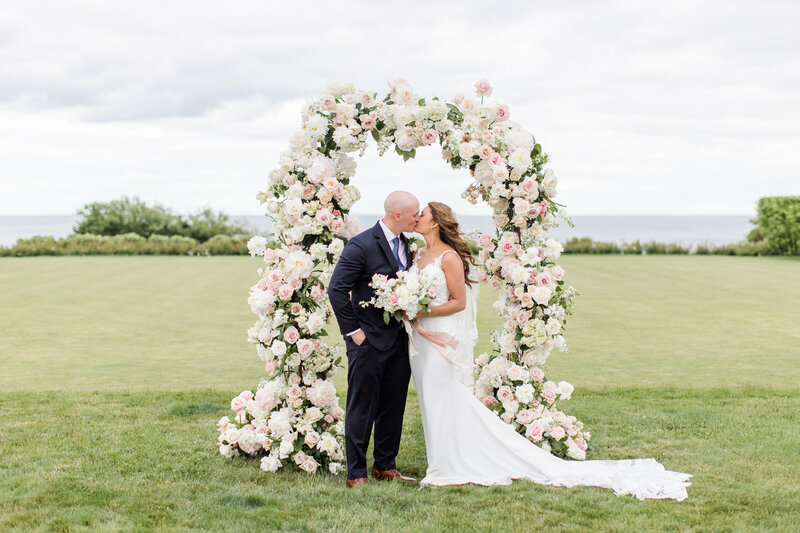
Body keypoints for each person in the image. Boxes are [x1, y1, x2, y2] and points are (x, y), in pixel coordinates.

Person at [408, 201, 692, 500]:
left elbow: (459, 302)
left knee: (444, 395)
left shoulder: (449, 257)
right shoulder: (417, 255)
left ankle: (447, 465)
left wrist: (422, 311)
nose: (417, 218)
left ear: (436, 222)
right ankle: (443, 457)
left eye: (422, 215)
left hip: (442, 337)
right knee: (430, 397)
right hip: (420, 339)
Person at [328, 190, 420, 488]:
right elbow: (337, 289)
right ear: (397, 215)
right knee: (362, 407)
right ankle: (356, 472)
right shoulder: (361, 245)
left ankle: (385, 465)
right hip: (366, 343)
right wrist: (354, 333)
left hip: (399, 340)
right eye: (414, 213)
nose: (417, 218)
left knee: (393, 405)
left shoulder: (408, 245)